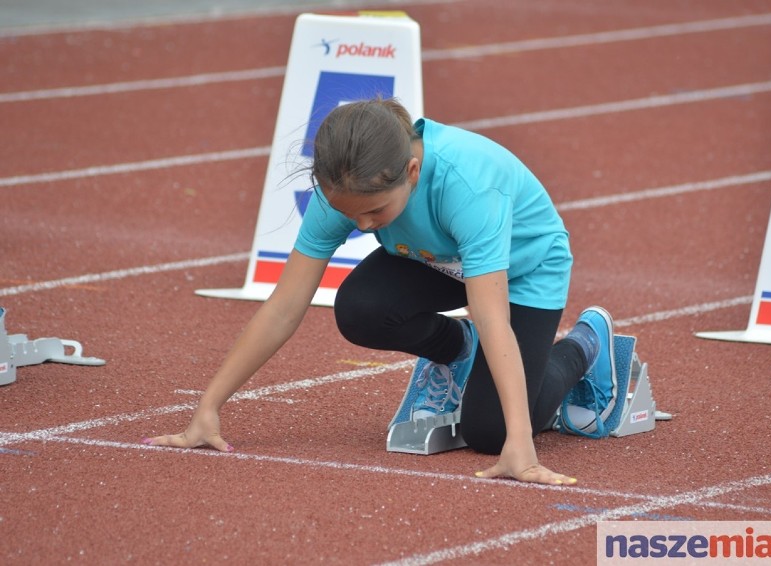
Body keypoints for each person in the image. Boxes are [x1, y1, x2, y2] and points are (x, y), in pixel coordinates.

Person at [143, 98, 618, 486]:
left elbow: (490, 313)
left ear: (412, 172)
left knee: (491, 432)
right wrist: (208, 407)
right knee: (360, 309)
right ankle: (460, 349)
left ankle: (584, 347)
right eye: (351, 215)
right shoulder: (346, 187)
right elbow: (285, 305)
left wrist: (521, 443)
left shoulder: (468, 186)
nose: (362, 225)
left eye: (374, 212)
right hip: (433, 258)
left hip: (523, 271)